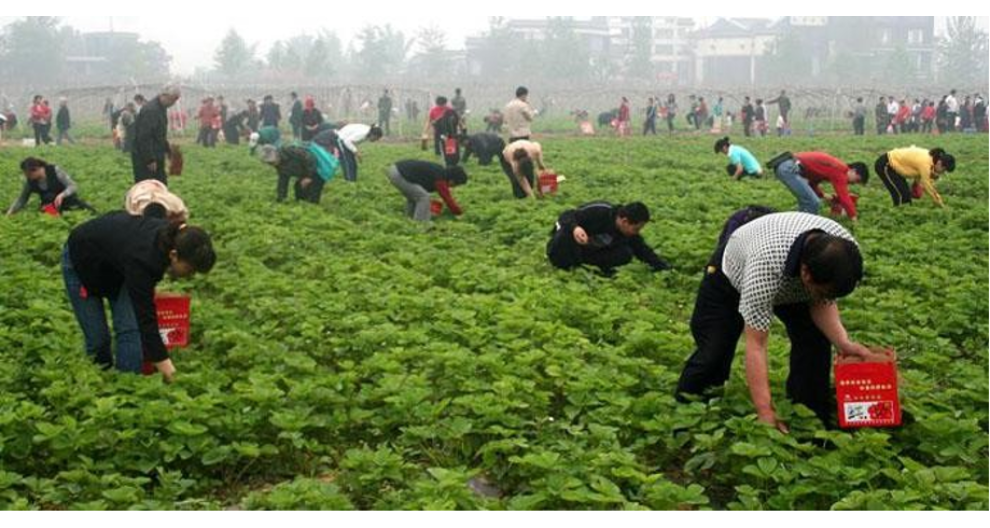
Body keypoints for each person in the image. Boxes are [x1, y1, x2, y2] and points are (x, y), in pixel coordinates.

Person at [675, 212, 887, 431]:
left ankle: (809, 419)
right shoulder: (766, 267)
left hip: (792, 276)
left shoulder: (844, 251)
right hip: (730, 276)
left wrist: (843, 343)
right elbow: (756, 345)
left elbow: (823, 301)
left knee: (815, 341)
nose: (825, 297)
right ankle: (687, 415)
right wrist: (764, 410)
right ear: (805, 274)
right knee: (715, 350)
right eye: (822, 291)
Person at [62, 205, 215, 382]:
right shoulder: (143, 260)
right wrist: (167, 368)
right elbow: (146, 319)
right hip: (82, 260)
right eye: (190, 268)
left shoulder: (170, 238)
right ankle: (100, 383)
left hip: (118, 265)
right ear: (174, 255)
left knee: (129, 329)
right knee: (98, 340)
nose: (191, 275)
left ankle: (127, 389)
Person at [547, 202, 671, 277]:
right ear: (625, 221)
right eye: (636, 229)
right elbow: (566, 215)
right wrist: (575, 228)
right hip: (568, 245)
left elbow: (643, 251)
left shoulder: (627, 232)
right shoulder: (600, 211)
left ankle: (588, 268)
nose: (637, 232)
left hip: (589, 250)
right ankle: (564, 266)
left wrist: (664, 268)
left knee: (625, 253)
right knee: (565, 233)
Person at [770, 151, 869, 221]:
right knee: (813, 202)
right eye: (857, 180)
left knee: (807, 203)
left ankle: (796, 225)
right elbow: (844, 197)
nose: (854, 183)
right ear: (853, 171)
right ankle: (805, 230)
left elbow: (812, 183)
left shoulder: (833, 169)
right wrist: (854, 218)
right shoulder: (840, 169)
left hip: (786, 166)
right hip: (789, 168)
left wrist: (823, 195)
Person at [6, 157, 97, 216]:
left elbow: (73, 186)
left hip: (68, 200)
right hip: (49, 205)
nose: (28, 177)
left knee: (90, 212)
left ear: (36, 169)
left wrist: (62, 195)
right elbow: (22, 199)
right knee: (48, 200)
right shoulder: (30, 181)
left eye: (29, 174)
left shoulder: (54, 170)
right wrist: (10, 212)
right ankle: (57, 216)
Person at [386, 160, 466, 223]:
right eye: (456, 184)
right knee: (423, 197)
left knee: (414, 197)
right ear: (452, 179)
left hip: (395, 170)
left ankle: (409, 220)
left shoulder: (440, 171)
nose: (453, 186)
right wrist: (459, 212)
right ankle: (420, 224)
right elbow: (447, 197)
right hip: (399, 173)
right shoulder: (441, 176)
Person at [875, 147, 955, 208]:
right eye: (943, 170)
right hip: (886, 164)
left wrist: (917, 184)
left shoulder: (932, 160)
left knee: (905, 195)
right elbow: (927, 185)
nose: (942, 172)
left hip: (895, 168)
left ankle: (903, 214)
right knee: (900, 194)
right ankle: (898, 215)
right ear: (939, 163)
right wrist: (940, 203)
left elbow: (920, 177)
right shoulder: (925, 163)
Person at [133, 85, 181, 185]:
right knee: (147, 187)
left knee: (159, 185)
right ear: (164, 95)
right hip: (145, 157)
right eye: (172, 100)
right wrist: (149, 159)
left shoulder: (161, 108)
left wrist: (168, 150)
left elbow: (159, 134)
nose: (173, 103)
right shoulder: (151, 110)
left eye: (175, 101)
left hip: (156, 154)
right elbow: (144, 137)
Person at [260, 144, 335, 204]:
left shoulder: (290, 151)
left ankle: (313, 209)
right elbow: (283, 181)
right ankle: (301, 207)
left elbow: (310, 158)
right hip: (304, 172)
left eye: (272, 162)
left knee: (314, 191)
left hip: (317, 169)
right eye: (269, 163)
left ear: (276, 154)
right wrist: (281, 199)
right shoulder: (279, 165)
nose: (273, 164)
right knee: (299, 188)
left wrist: (309, 177)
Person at [124, 180, 188, 225]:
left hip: (156, 189)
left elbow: (183, 218)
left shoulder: (176, 205)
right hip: (139, 192)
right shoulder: (137, 209)